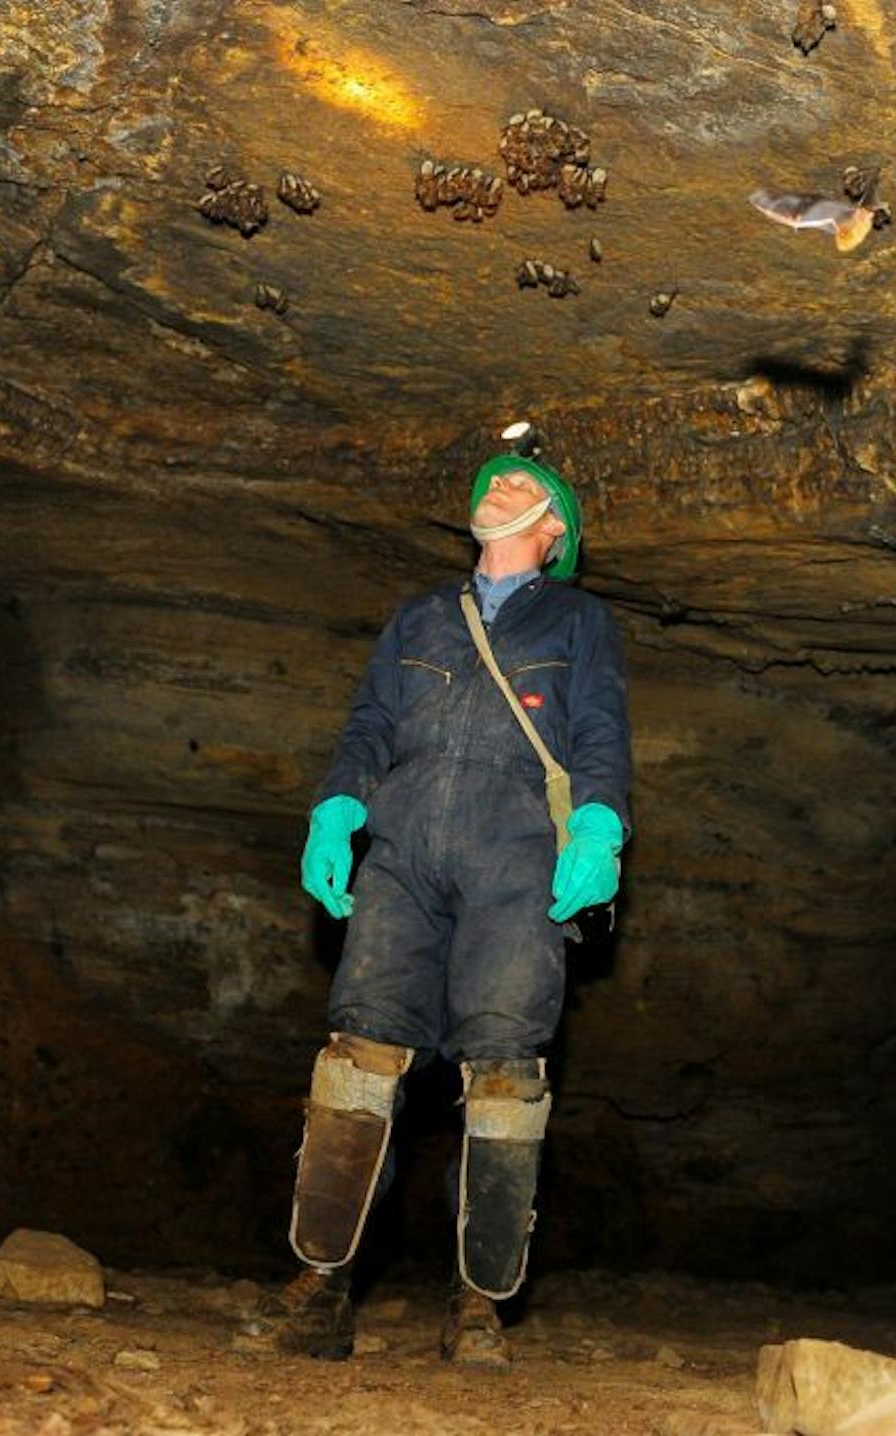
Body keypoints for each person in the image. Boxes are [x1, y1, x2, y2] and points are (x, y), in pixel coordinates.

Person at [248, 436, 632, 1367]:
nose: (497, 487)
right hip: (406, 854)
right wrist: (339, 806)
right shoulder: (421, 618)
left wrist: (600, 827)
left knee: (503, 1070)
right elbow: (371, 721)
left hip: (515, 862)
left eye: (522, 486)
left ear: (552, 533)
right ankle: (323, 1284)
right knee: (360, 1055)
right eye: (496, 481)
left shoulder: (578, 625)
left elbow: (599, 732)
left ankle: (478, 1305)